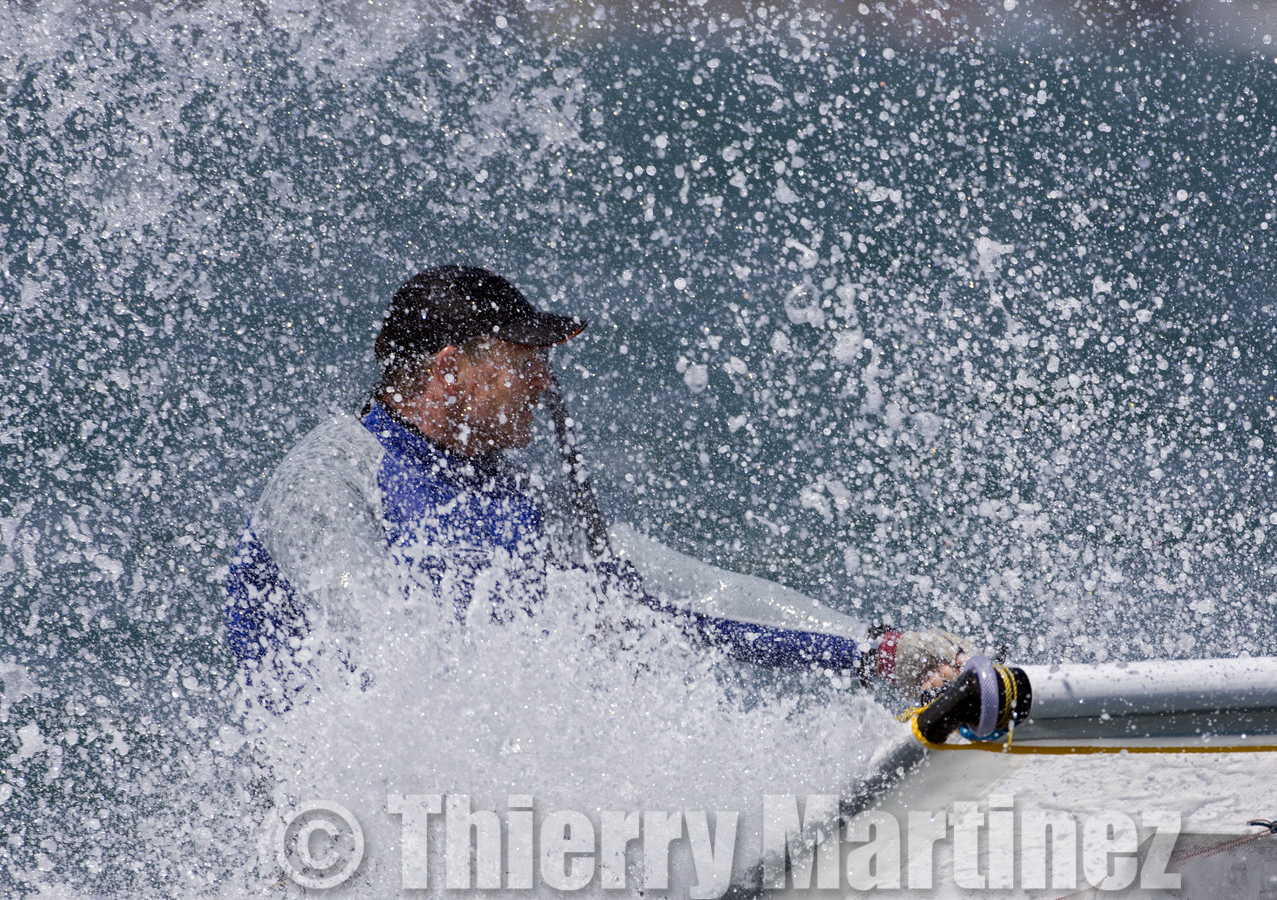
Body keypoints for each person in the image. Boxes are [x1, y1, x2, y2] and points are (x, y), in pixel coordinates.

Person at [226, 265, 968, 701]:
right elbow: (381, 664)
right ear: (453, 368)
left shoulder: (513, 503)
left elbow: (691, 593)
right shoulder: (326, 481)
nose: (544, 380)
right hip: (339, 858)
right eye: (524, 357)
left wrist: (878, 652)